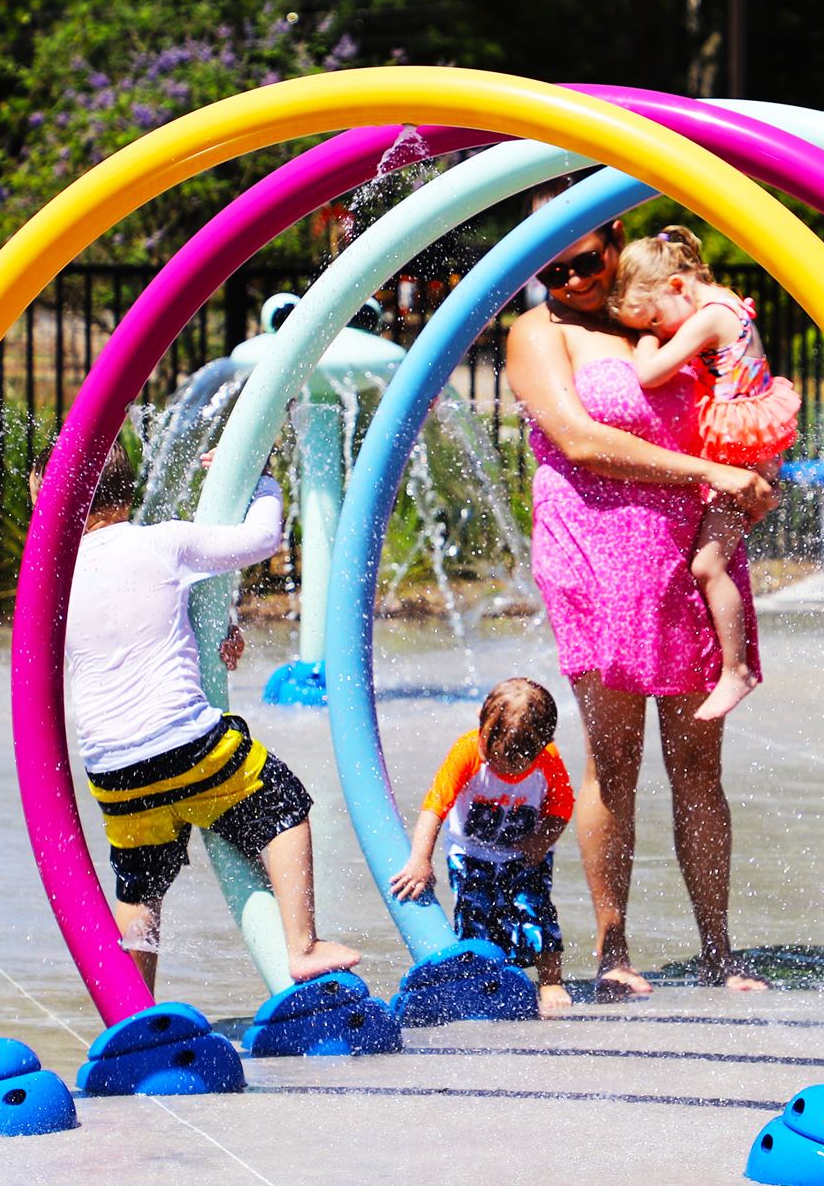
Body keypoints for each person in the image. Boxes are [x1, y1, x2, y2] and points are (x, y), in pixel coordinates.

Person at [501, 189, 779, 998]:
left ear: (617, 238)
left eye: (585, 259)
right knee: (613, 758)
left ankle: (719, 950)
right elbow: (581, 440)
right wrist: (707, 471)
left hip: (688, 548)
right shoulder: (539, 332)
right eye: (551, 267)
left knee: (698, 762)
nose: (572, 279)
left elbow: (736, 400)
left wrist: (755, 468)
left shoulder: (666, 316)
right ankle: (612, 948)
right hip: (595, 547)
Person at [62, 442, 361, 991]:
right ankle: (303, 946)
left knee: (139, 885)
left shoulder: (50, 578)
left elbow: (118, 635)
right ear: (126, 493)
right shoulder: (160, 541)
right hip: (186, 746)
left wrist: (210, 637)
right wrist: (262, 479)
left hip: (112, 772)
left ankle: (134, 1006)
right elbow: (261, 540)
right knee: (281, 801)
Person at [609, 225, 804, 722]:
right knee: (710, 558)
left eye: (655, 316)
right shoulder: (725, 304)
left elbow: (649, 374)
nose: (659, 327)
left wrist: (646, 342)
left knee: (707, 566)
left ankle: (737, 670)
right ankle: (731, 663)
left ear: (676, 286)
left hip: (745, 449)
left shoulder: (708, 318)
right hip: (750, 446)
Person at [390, 677, 579, 1017]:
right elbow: (435, 806)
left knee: (535, 912)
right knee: (475, 919)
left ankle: (550, 980)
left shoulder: (549, 762)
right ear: (481, 722)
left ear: (541, 747)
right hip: (470, 854)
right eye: (492, 753)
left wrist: (542, 840)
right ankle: (482, 982)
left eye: (512, 763)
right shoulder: (467, 752)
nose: (499, 766)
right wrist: (420, 859)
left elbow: (562, 809)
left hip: (525, 856)